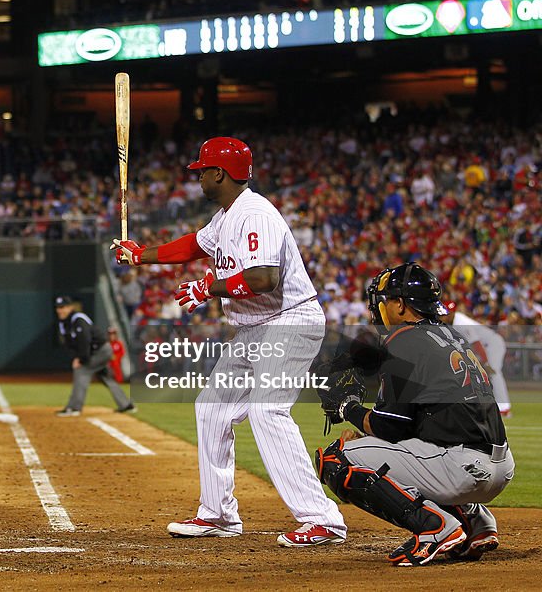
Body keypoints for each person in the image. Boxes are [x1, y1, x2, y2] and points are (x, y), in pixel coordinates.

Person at [111, 136, 346, 547]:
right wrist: (140, 255)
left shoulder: (255, 214)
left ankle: (322, 518)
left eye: (202, 170)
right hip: (257, 326)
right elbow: (192, 246)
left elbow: (263, 278)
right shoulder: (227, 216)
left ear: (219, 173)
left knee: (266, 410)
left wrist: (208, 288)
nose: (198, 177)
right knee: (212, 408)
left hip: (289, 321)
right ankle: (217, 514)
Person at [316, 263, 513, 566]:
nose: (379, 307)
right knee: (412, 449)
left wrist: (348, 408)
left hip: (460, 467)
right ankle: (475, 523)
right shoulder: (451, 335)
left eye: (383, 300)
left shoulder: (403, 340)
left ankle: (436, 529)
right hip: (498, 466)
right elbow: (411, 428)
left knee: (336, 459)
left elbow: (389, 427)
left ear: (400, 304)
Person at [54, 296, 136, 416]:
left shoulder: (78, 319)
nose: (60, 310)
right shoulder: (65, 322)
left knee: (81, 370)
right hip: (97, 351)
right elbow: (71, 344)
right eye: (58, 308)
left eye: (63, 307)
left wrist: (81, 359)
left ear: (70, 307)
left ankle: (74, 407)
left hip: (101, 350)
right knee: (105, 376)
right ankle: (126, 404)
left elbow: (85, 340)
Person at [441, 300, 511, 416]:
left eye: (448, 313)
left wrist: (486, 362)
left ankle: (504, 407)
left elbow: (476, 343)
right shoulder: (452, 323)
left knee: (493, 372)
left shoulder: (460, 322)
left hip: (492, 343)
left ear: (453, 313)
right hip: (485, 346)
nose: (445, 316)